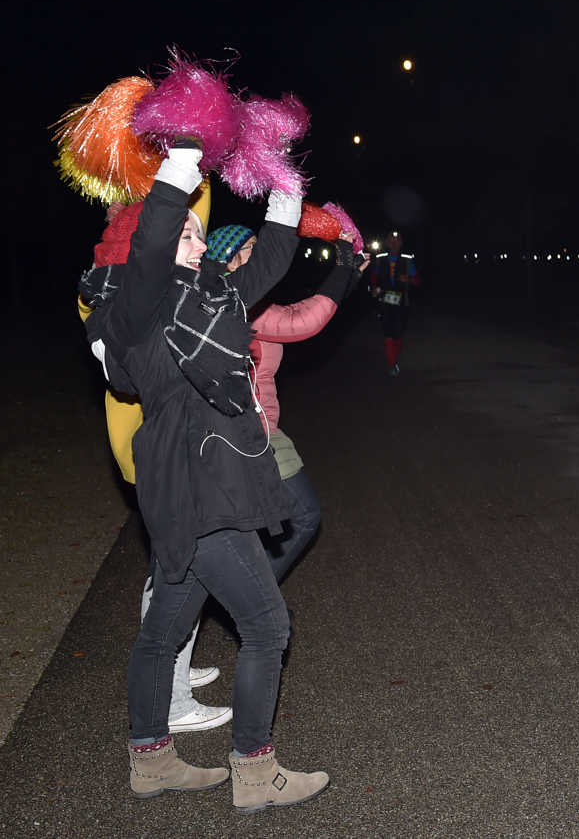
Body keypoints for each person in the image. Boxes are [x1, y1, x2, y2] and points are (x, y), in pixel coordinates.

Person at [90, 139, 329, 807]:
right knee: (268, 624)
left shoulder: (213, 301)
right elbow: (156, 236)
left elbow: (274, 258)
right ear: (151, 248)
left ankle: (151, 760)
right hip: (198, 490)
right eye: (186, 234)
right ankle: (255, 769)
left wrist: (284, 181)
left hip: (192, 490)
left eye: (200, 233)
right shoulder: (139, 314)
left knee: (163, 630)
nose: (198, 244)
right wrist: (184, 156)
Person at [81, 192, 232, 734]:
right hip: (153, 446)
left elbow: (193, 215)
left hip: (159, 443)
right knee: (173, 570)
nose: (193, 239)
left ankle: (175, 676)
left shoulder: (125, 277)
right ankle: (168, 702)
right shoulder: (115, 288)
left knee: (173, 568)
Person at [206, 222, 366, 582]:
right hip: (249, 435)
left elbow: (296, 311)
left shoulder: (243, 299)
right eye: (250, 247)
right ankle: (253, 602)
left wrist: (347, 279)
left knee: (251, 526)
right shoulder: (237, 302)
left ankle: (244, 601)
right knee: (303, 513)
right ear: (229, 261)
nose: (261, 254)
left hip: (245, 430)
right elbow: (302, 322)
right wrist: (341, 269)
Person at [369, 231, 417, 375]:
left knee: (399, 333)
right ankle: (392, 364)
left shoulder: (407, 260)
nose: (394, 243)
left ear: (401, 243)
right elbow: (373, 277)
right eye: (391, 241)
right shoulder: (380, 259)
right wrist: (373, 288)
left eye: (397, 241)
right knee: (388, 332)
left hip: (402, 301)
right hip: (384, 301)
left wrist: (408, 279)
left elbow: (417, 279)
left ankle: (393, 358)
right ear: (387, 243)